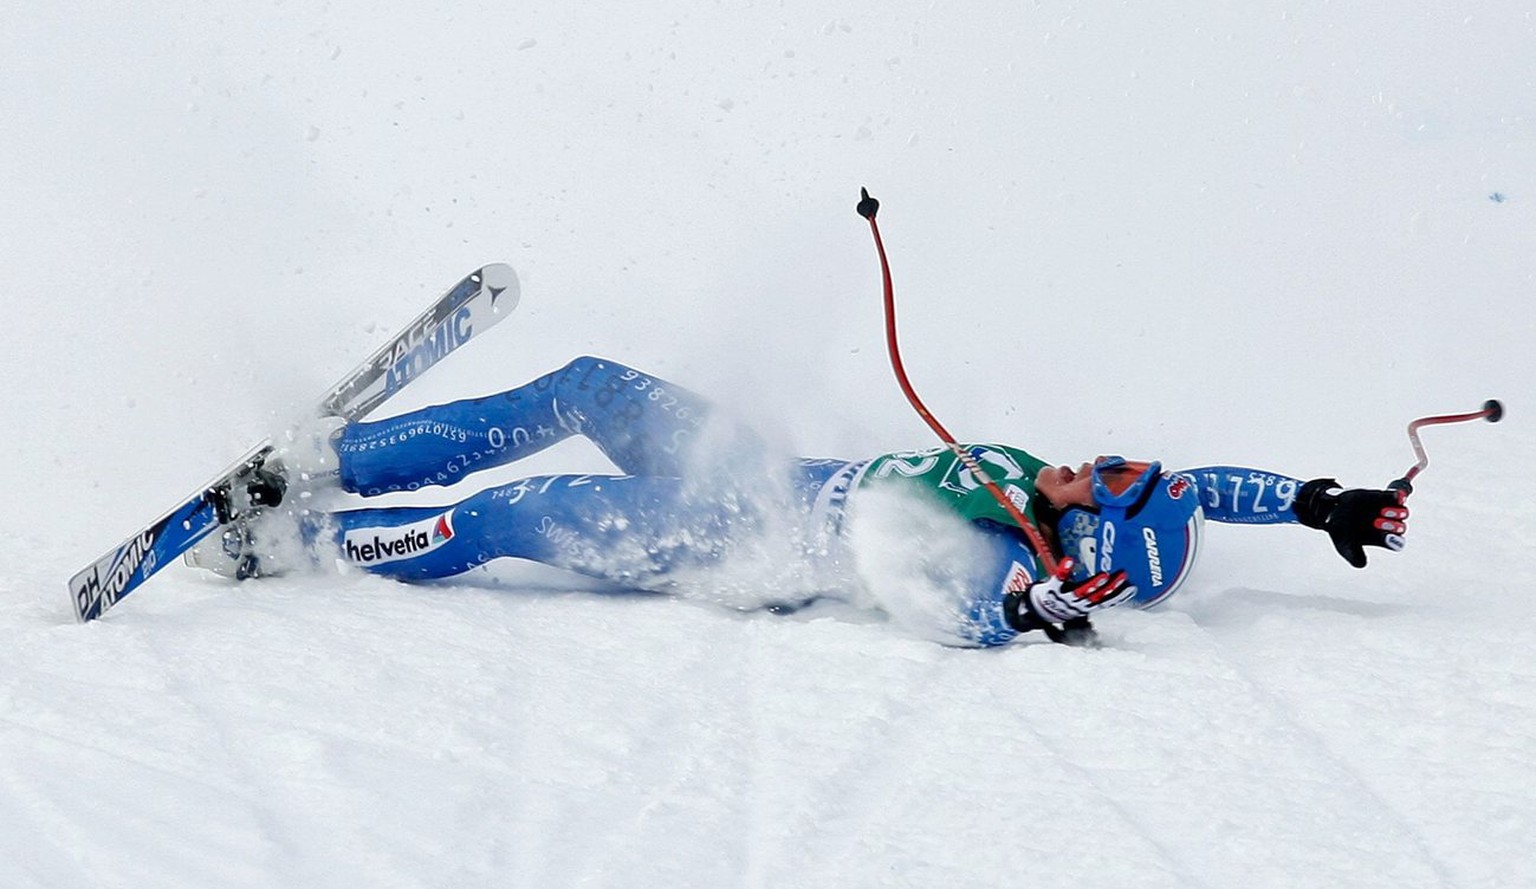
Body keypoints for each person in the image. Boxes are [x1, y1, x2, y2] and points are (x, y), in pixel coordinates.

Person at [187, 356, 1410, 646]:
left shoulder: (998, 567)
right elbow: (1206, 491)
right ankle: (337, 461)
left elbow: (963, 610)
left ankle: (311, 541)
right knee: (592, 384)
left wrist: (1033, 606)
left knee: (515, 516)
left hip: (725, 531)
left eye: (1116, 477)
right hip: (757, 466)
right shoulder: (1082, 489)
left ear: (1089, 531)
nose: (1112, 456)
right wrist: (1318, 500)